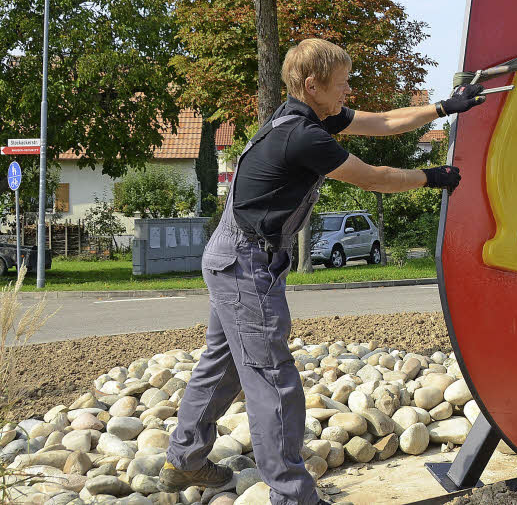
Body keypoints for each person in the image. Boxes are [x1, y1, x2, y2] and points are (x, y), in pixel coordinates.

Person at [160, 39, 486, 504]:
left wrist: (441, 108)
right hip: (246, 263)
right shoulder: (303, 137)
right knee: (274, 380)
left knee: (224, 364)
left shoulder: (301, 117)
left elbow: (383, 122)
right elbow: (373, 177)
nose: (348, 91)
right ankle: (293, 496)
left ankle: (184, 460)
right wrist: (431, 177)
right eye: (342, 83)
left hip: (233, 257)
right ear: (312, 86)